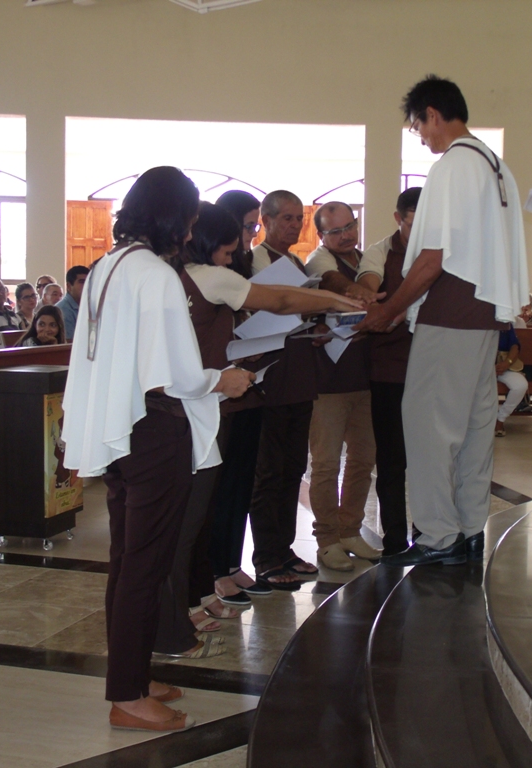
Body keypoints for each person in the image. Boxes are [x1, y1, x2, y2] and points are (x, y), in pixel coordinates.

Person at [61, 167, 253, 733]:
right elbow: (179, 375)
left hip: (122, 427)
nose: (191, 231)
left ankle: (134, 678)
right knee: (144, 566)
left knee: (129, 561)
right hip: (155, 429)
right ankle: (127, 696)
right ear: (173, 218)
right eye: (190, 220)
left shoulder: (108, 265)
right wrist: (224, 380)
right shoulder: (157, 275)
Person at [154, 202, 362, 656]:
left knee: (192, 517)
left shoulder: (177, 276)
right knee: (185, 523)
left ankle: (187, 605)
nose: (233, 258)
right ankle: (171, 624)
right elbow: (280, 299)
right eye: (229, 250)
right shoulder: (204, 276)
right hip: (194, 406)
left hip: (193, 407)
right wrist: (334, 300)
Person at [358, 75, 529, 566]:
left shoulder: (454, 165)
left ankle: (437, 535)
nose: (421, 138)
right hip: (484, 317)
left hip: (450, 313)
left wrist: (390, 310)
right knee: (474, 428)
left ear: (433, 114)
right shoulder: (494, 164)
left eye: (418, 127)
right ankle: (471, 529)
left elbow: (433, 258)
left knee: (428, 428)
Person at [247, 190, 327, 588]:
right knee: (269, 470)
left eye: (299, 219)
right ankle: (265, 556)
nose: (295, 225)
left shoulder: (297, 263)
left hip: (299, 377)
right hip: (269, 379)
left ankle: (284, 549)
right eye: (287, 218)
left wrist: (319, 326)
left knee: (294, 468)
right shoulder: (254, 262)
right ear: (266, 220)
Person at [304, 202, 380, 571]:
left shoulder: (367, 262)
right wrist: (359, 297)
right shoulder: (318, 263)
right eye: (335, 231)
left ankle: (350, 530)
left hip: (366, 380)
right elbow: (335, 285)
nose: (346, 235)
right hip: (327, 383)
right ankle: (327, 540)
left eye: (350, 226)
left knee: (364, 460)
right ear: (321, 235)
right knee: (326, 464)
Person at [207, 190, 267, 603]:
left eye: (254, 226)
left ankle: (231, 562)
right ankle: (214, 569)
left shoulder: (244, 265)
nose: (251, 235)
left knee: (243, 480)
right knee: (220, 484)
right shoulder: (208, 271)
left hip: (249, 386)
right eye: (247, 226)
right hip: (219, 390)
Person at [355, 187, 419, 556]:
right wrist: (372, 298)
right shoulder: (380, 250)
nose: (420, 230)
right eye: (412, 223)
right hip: (389, 369)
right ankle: (395, 539)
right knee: (392, 459)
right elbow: (369, 283)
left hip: (430, 367)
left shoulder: (442, 250)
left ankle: (428, 534)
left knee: (429, 458)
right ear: (398, 219)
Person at [216, 190, 262, 279]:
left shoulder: (246, 258)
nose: (255, 234)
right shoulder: (217, 263)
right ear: (232, 225)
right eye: (250, 226)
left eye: (255, 226)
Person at [494, 327, 528, 437]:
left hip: (502, 367)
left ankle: (500, 419)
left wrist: (507, 363)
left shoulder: (505, 323)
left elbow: (515, 346)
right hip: (479, 368)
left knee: (520, 385)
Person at [56, 265, 89, 341]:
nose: (86, 285)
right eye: (82, 282)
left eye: (88, 282)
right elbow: (69, 343)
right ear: (69, 286)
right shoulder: (63, 310)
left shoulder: (87, 305)